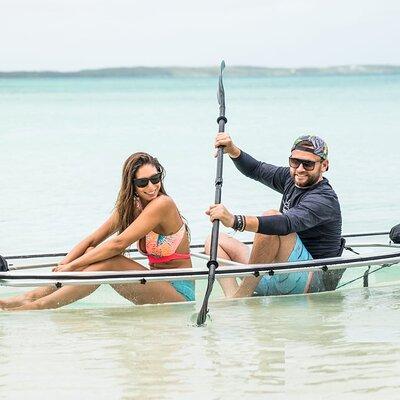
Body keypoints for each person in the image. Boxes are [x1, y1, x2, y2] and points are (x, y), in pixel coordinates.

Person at [1, 152, 194, 310]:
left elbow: (118, 244)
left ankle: (40, 305)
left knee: (112, 261)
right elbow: (94, 238)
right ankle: (30, 297)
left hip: (177, 293)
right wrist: (65, 264)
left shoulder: (163, 204)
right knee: (91, 252)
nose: (151, 187)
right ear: (132, 186)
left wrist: (71, 267)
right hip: (155, 284)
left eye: (155, 179)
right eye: (143, 183)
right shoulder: (133, 206)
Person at [205, 133, 343, 298]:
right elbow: (256, 169)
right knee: (214, 240)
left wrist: (235, 221)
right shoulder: (289, 178)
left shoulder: (324, 199)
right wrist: (233, 150)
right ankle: (232, 296)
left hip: (312, 281)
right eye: (295, 161)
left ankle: (242, 296)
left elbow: (285, 223)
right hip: (274, 274)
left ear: (324, 165)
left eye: (308, 164)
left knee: (272, 218)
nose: (299, 169)